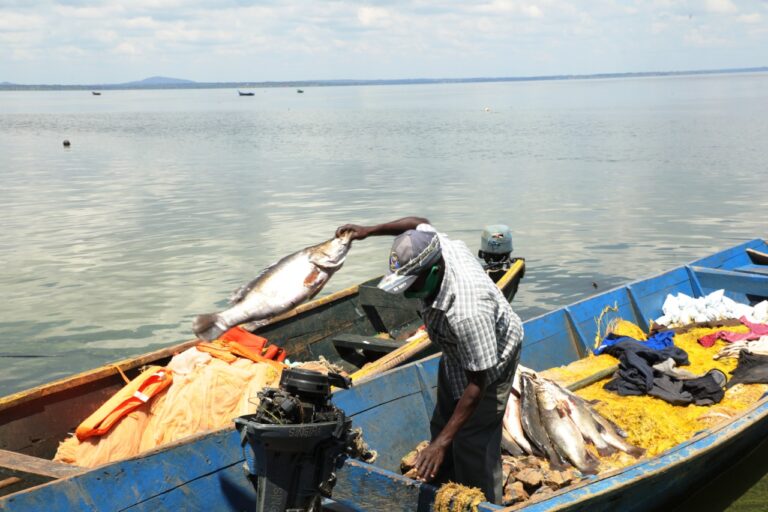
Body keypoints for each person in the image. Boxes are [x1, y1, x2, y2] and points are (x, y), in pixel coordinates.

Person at [335, 216, 523, 504]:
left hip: (492, 361)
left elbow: (478, 383)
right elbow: (420, 222)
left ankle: (480, 501)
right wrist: (369, 231)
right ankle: (441, 484)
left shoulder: (468, 312)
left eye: (412, 284)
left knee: (473, 440)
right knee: (443, 420)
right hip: (455, 349)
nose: (408, 293)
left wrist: (442, 443)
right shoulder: (435, 245)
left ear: (435, 271)